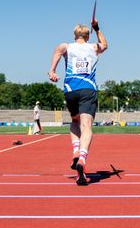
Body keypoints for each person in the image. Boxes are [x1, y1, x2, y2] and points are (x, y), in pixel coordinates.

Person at [48, 19, 108, 186]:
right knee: (86, 126)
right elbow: (105, 45)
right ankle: (82, 158)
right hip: (88, 90)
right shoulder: (93, 47)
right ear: (87, 36)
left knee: (74, 121)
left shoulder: (66, 46)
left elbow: (57, 52)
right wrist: (97, 29)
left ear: (75, 36)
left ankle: (75, 151)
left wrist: (52, 71)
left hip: (70, 89)